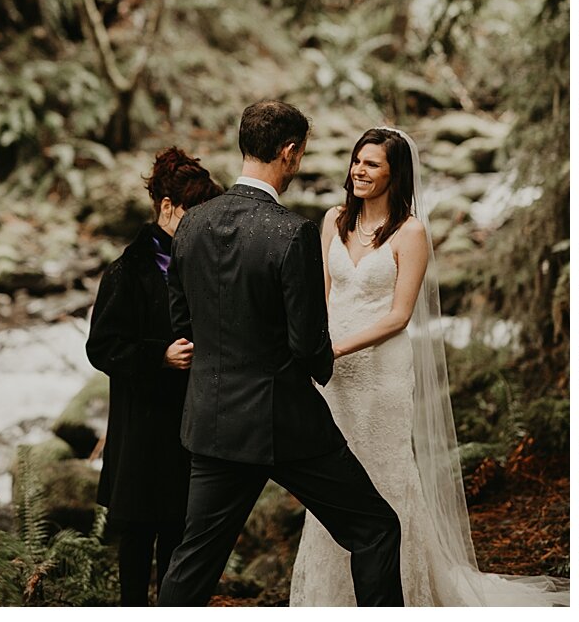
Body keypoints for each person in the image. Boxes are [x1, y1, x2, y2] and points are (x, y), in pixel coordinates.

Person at [290, 127, 565, 606]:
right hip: (334, 372)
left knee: (382, 476)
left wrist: (334, 348)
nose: (359, 169)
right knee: (332, 478)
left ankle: (406, 596)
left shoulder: (409, 231)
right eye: (357, 160)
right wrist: (316, 348)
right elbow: (323, 296)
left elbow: (398, 316)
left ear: (396, 174)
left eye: (372, 164)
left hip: (379, 369)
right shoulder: (333, 220)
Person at [158, 101, 405, 606]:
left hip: (213, 422)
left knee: (194, 561)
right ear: (289, 154)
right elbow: (307, 343)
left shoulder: (191, 225)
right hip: (286, 425)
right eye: (300, 154)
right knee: (376, 529)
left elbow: (183, 324)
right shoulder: (290, 233)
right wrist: (321, 365)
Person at [85, 148, 223, 605]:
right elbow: (101, 347)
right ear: (167, 208)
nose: (200, 227)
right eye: (193, 215)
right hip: (142, 427)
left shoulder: (200, 265)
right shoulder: (126, 272)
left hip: (189, 424)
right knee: (138, 538)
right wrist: (158, 356)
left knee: (179, 536)